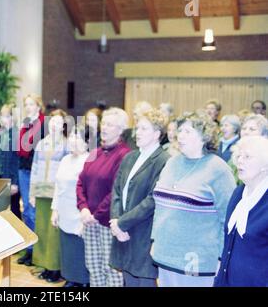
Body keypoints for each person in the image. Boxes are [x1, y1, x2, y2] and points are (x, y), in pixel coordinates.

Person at [151, 111, 236, 287]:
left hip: (197, 260)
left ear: (204, 136)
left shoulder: (218, 169)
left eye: (188, 131)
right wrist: (155, 241)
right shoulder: (172, 162)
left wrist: (221, 258)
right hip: (164, 254)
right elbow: (160, 209)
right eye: (180, 130)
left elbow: (228, 220)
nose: (180, 135)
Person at [109, 109, 169, 287]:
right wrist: (115, 220)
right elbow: (117, 190)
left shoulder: (164, 160)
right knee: (128, 279)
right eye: (137, 128)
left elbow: (152, 200)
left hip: (143, 232)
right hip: (123, 230)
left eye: (144, 129)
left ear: (157, 134)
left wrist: (122, 223)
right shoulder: (130, 156)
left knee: (143, 281)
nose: (138, 133)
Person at [76, 107, 132, 287]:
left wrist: (95, 215)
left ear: (121, 129)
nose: (105, 128)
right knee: (93, 267)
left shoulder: (125, 155)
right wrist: (83, 208)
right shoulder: (95, 152)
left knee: (111, 270)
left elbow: (116, 190)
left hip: (108, 223)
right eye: (104, 123)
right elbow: (80, 182)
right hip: (89, 220)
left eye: (110, 124)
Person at [214, 136, 268, 287]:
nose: (240, 161)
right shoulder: (238, 193)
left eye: (247, 157)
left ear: (265, 164)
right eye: (239, 156)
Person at [30, 109, 69, 283]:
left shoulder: (67, 145)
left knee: (54, 233)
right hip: (40, 193)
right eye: (52, 122)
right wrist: (31, 193)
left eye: (59, 123)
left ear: (63, 126)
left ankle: (55, 268)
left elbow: (67, 173)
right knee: (42, 230)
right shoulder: (41, 144)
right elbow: (34, 169)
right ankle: (45, 265)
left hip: (56, 195)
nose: (54, 125)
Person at [51, 127, 90, 287]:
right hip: (64, 210)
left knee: (79, 249)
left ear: (87, 143)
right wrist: (55, 209)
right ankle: (70, 278)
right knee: (67, 247)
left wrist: (84, 218)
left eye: (78, 138)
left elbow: (90, 192)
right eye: (72, 137)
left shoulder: (89, 161)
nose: (73, 141)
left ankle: (82, 282)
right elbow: (57, 187)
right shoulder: (65, 160)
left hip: (80, 212)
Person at [16, 94, 46, 266]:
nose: (28, 107)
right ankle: (29, 249)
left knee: (35, 211)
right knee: (26, 210)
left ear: (38, 106)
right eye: (26, 104)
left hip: (37, 171)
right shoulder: (25, 123)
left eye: (31, 104)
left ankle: (38, 251)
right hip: (23, 168)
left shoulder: (44, 124)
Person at [0, 104, 21, 219]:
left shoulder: (18, 134)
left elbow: (18, 161)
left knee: (14, 210)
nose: (5, 119)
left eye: (8, 116)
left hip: (11, 179)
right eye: (2, 116)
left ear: (13, 117)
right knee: (0, 210)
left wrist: (15, 183)